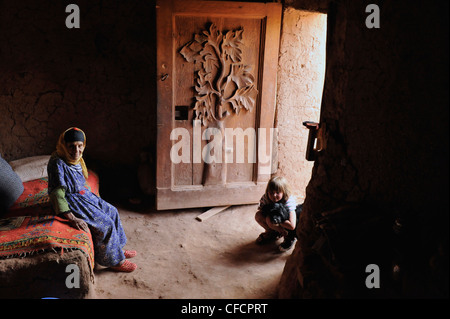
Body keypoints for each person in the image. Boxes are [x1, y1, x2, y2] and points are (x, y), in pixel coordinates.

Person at [47, 127, 137, 272]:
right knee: (105, 224)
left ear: (84, 145)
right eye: (71, 146)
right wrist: (71, 218)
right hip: (71, 200)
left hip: (83, 194)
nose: (76, 151)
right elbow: (57, 193)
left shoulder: (75, 158)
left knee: (112, 211)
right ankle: (114, 261)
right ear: (64, 145)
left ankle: (117, 250)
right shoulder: (57, 162)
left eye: (79, 146)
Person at [255, 176, 298, 251]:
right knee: (258, 215)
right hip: (275, 220)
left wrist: (275, 222)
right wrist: (270, 222)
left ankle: (289, 237)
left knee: (286, 221)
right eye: (271, 192)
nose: (274, 195)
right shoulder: (265, 198)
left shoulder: (288, 201)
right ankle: (273, 233)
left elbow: (292, 225)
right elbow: (261, 211)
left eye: (277, 192)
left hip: (286, 223)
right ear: (267, 191)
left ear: (284, 192)